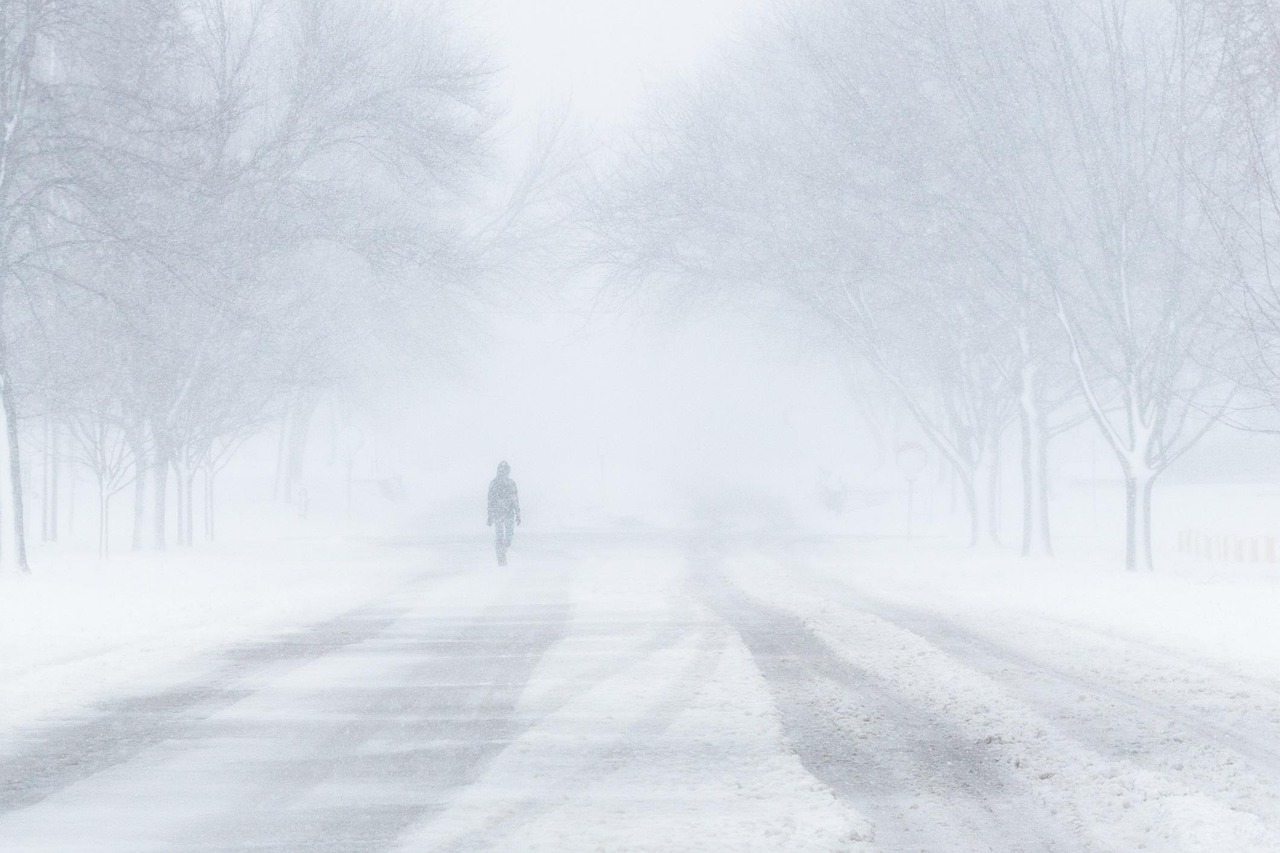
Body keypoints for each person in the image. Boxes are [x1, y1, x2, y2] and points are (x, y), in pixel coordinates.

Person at [486, 461, 521, 565]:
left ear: (507, 471)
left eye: (504, 469)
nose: (501, 471)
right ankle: (501, 561)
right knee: (501, 537)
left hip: (507, 514)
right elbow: (490, 500)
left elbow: (515, 499)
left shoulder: (510, 483)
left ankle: (502, 556)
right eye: (500, 469)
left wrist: (518, 514)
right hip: (500, 514)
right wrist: (490, 515)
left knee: (506, 537)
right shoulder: (495, 483)